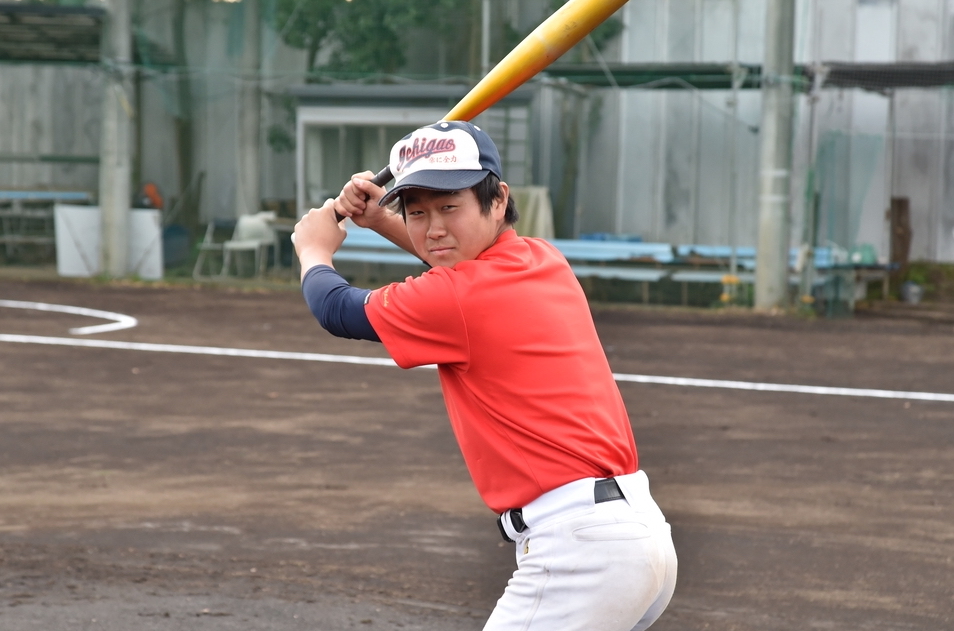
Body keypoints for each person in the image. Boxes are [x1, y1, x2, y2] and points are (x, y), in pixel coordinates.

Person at [293, 120, 677, 631]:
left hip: (580, 551)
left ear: (498, 201)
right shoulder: (541, 258)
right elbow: (454, 265)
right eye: (417, 212)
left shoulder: (457, 298)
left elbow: (337, 310)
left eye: (450, 207)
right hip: (636, 535)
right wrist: (379, 219)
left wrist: (313, 248)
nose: (433, 228)